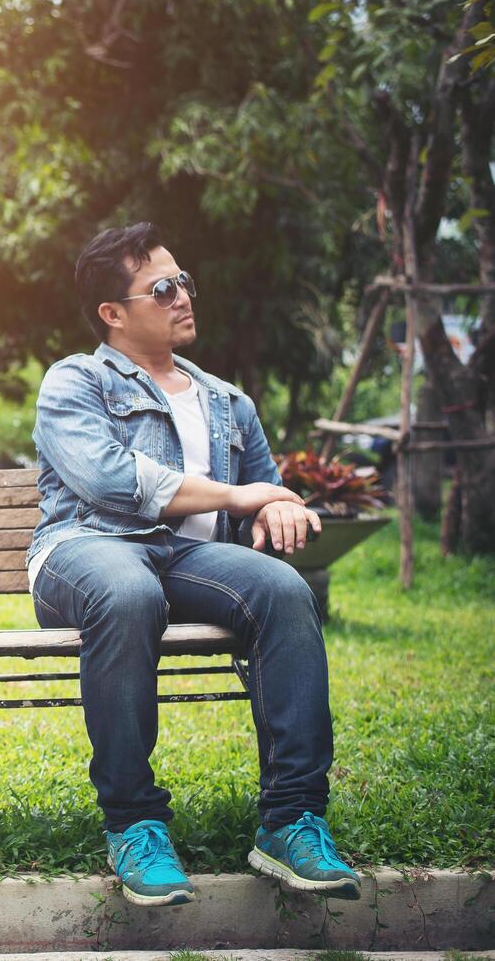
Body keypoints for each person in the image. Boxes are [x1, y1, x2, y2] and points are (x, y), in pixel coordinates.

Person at [28, 223, 361, 907]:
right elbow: (110, 481)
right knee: (126, 593)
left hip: (186, 560)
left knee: (281, 588)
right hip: (87, 550)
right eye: (160, 287)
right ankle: (133, 822)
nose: (181, 295)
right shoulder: (75, 380)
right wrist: (241, 493)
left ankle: (291, 820)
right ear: (112, 314)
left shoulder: (225, 402)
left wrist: (274, 508)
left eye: (181, 281)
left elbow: (263, 497)